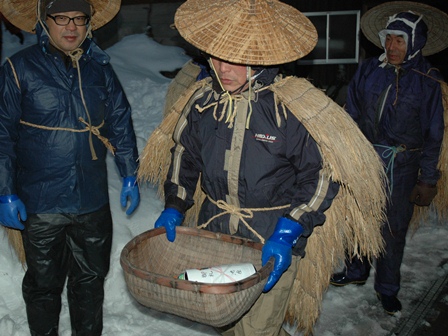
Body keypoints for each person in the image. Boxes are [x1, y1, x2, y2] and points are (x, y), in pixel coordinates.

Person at [0, 0, 140, 334]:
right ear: (44, 22)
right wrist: (5, 192)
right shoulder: (19, 68)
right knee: (44, 285)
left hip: (91, 200)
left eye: (79, 18)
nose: (71, 27)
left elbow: (119, 120)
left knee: (90, 282)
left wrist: (129, 172)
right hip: (41, 200)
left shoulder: (98, 68)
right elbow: (2, 133)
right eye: (61, 18)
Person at [330, 2, 447, 316]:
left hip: (404, 164)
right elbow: (351, 111)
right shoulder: (369, 69)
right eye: (389, 39)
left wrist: (427, 179)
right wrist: (347, 152)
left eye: (399, 40)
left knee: (393, 229)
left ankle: (387, 289)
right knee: (359, 219)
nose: (391, 46)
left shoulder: (427, 80)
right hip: (366, 158)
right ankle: (356, 270)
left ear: (414, 44)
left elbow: (434, 133)